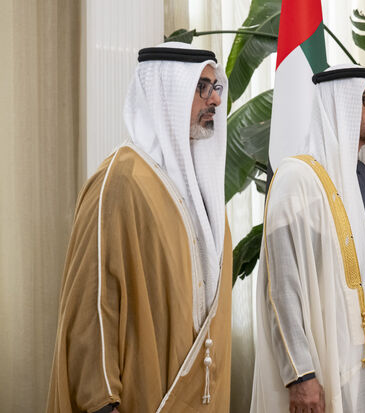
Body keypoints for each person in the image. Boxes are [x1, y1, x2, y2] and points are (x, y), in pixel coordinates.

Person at [47, 42, 233, 412]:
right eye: (201, 87)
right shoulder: (120, 180)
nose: (213, 100)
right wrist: (101, 400)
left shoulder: (204, 194)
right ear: (166, 94)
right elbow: (93, 302)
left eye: (216, 87)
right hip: (142, 397)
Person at [250, 65, 365, 413]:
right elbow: (281, 289)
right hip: (334, 362)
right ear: (338, 106)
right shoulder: (298, 180)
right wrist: (301, 374)